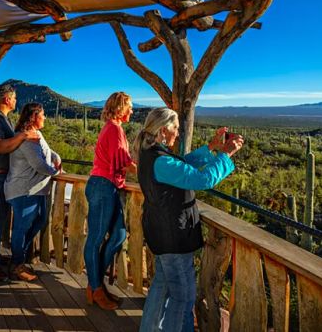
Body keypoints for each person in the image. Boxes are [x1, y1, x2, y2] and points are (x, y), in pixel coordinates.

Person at [135, 108, 243, 332]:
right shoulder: (161, 161)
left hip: (162, 233)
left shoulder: (151, 153)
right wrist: (226, 156)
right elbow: (202, 179)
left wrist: (211, 148)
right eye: (175, 128)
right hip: (173, 236)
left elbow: (182, 164)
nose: (177, 132)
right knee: (182, 297)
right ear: (164, 130)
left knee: (161, 286)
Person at [0, 84, 40, 282]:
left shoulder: (0, 119)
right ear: (7, 99)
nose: (15, 101)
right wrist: (23, 135)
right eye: (14, 98)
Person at [83, 91, 136, 310]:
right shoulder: (114, 129)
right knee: (95, 240)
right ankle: (96, 289)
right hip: (103, 186)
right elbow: (123, 164)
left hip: (109, 187)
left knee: (119, 235)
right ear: (121, 108)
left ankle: (94, 283)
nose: (132, 111)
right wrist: (153, 174)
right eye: (129, 107)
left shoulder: (116, 129)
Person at [6, 103, 61, 281]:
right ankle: (16, 264)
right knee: (21, 227)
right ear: (34, 117)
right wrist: (56, 172)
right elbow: (38, 164)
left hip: (35, 190)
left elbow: (46, 151)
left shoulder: (36, 134)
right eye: (42, 115)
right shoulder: (26, 138)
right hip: (24, 190)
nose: (45, 118)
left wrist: (56, 157)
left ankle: (18, 256)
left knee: (39, 221)